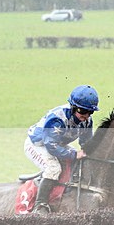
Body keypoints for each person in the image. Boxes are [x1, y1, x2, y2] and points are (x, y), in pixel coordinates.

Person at [24, 84, 99, 214]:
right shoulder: (57, 119)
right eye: (82, 111)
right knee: (54, 168)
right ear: (73, 107)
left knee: (77, 162)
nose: (86, 115)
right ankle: (40, 205)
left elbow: (86, 143)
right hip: (38, 144)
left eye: (90, 112)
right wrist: (74, 154)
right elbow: (51, 146)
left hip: (57, 144)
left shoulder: (87, 121)